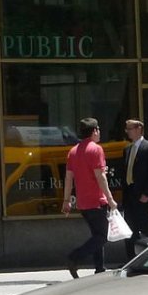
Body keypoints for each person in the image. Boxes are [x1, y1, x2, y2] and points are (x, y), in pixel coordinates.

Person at [61, 117, 118, 278]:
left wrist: (66, 201)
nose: (99, 132)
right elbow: (101, 176)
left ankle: (99, 267)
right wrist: (110, 198)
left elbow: (68, 178)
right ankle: (75, 257)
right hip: (97, 201)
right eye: (98, 129)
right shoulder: (96, 149)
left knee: (96, 235)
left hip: (83, 203)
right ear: (94, 131)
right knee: (102, 236)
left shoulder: (73, 151)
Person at [121, 118, 148, 259]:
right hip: (129, 194)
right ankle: (130, 258)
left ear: (138, 129)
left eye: (129, 129)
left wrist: (147, 193)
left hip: (142, 194)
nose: (127, 132)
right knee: (129, 228)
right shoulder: (127, 149)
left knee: (144, 224)